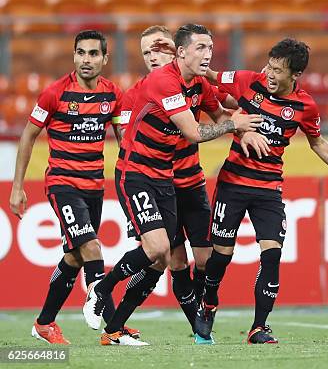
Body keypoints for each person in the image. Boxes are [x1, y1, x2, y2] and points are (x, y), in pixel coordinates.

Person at [82, 24, 266, 346]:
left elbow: (226, 108)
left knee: (174, 257)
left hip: (169, 177)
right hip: (136, 173)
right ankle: (104, 290)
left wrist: (242, 127)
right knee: (160, 252)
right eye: (201, 48)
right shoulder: (161, 84)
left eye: (210, 48)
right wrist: (232, 125)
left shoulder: (196, 83)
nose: (208, 53)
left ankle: (119, 324)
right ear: (181, 52)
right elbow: (195, 132)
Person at [193, 38, 328, 344]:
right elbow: (211, 75)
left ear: (296, 75)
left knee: (272, 255)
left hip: (268, 190)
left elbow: (317, 141)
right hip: (233, 185)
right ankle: (209, 302)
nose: (271, 74)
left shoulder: (305, 106)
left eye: (278, 70)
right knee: (221, 257)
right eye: (270, 66)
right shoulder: (247, 81)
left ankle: (258, 328)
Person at [9, 30, 139, 344]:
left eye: (93, 54)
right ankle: (113, 328)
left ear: (105, 58)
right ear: (74, 55)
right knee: (93, 249)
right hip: (62, 184)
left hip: (94, 187)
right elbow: (27, 136)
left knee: (76, 257)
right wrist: (17, 187)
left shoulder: (113, 96)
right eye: (81, 53)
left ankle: (44, 324)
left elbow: (125, 142)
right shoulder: (54, 93)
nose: (86, 60)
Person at [120, 25, 242, 338]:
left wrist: (248, 115)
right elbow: (125, 140)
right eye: (146, 51)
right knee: (172, 260)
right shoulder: (135, 94)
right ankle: (198, 329)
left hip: (192, 180)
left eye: (159, 47)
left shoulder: (195, 82)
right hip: (159, 183)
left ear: (175, 51)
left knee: (206, 258)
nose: (153, 56)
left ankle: (199, 313)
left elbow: (225, 106)